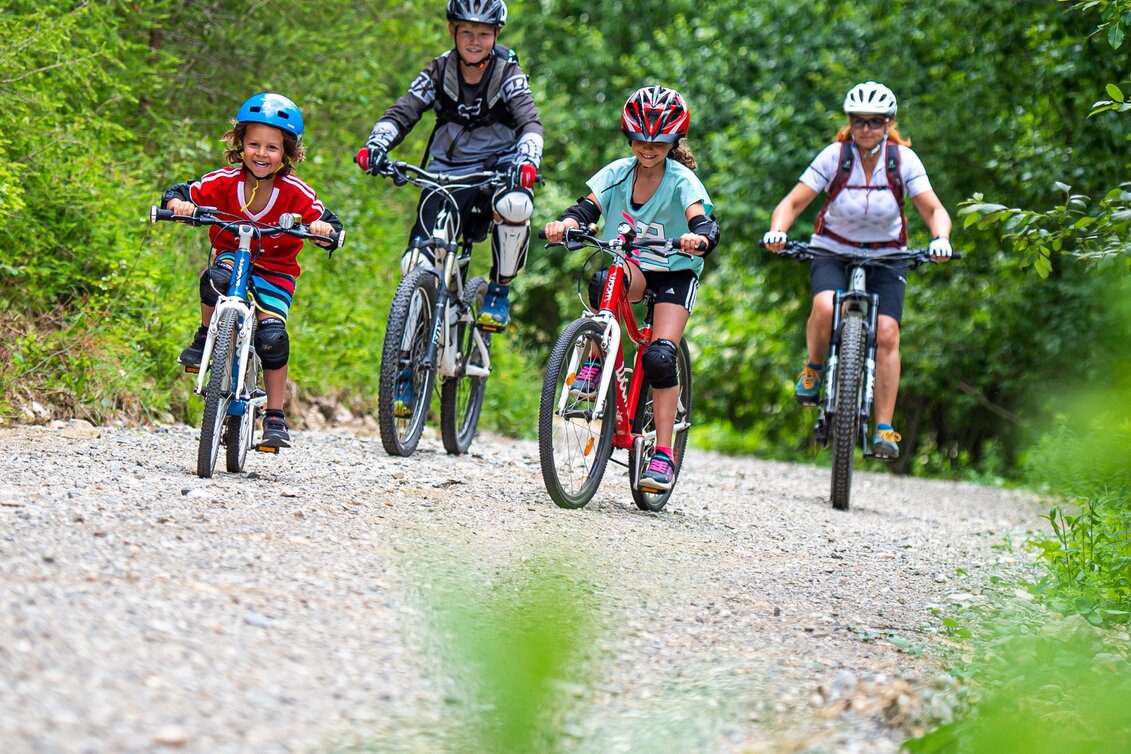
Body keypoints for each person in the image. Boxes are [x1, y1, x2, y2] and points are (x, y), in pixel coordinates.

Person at [762, 81, 952, 460]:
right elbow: (792, 203)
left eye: (875, 121)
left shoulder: (903, 161)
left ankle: (883, 427)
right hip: (832, 249)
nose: (866, 128)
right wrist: (778, 231)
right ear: (850, 122)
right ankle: (814, 368)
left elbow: (933, 209)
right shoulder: (835, 157)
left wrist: (940, 238)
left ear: (888, 123)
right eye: (859, 121)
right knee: (825, 306)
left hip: (887, 255)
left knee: (888, 332)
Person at [543, 86, 720, 491]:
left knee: (659, 357)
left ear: (674, 141)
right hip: (635, 265)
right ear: (629, 137)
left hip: (675, 271)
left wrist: (699, 237)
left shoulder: (682, 181)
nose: (648, 148)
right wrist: (565, 226)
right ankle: (595, 361)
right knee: (604, 280)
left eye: (658, 141)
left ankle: (663, 454)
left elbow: (702, 220)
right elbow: (584, 209)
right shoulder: (617, 173)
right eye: (641, 139)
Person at [163, 92, 343, 449]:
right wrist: (179, 205)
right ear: (240, 145)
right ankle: (204, 336)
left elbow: (328, 222)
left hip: (276, 270)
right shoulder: (223, 182)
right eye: (254, 144)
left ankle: (274, 415)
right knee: (215, 279)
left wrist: (323, 231)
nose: (262, 154)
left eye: (272, 147)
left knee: (272, 337)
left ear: (287, 153)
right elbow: (182, 192)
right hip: (232, 255)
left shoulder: (296, 193)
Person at [358, 0, 542, 332]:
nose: (474, 41)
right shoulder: (438, 70)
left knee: (516, 204)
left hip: (496, 170)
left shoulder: (507, 73)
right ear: (452, 30)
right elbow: (404, 110)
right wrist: (377, 144)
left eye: (483, 34)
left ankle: (499, 290)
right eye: (466, 31)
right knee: (414, 262)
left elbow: (529, 121)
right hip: (446, 169)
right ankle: (412, 344)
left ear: (496, 35)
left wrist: (527, 160)